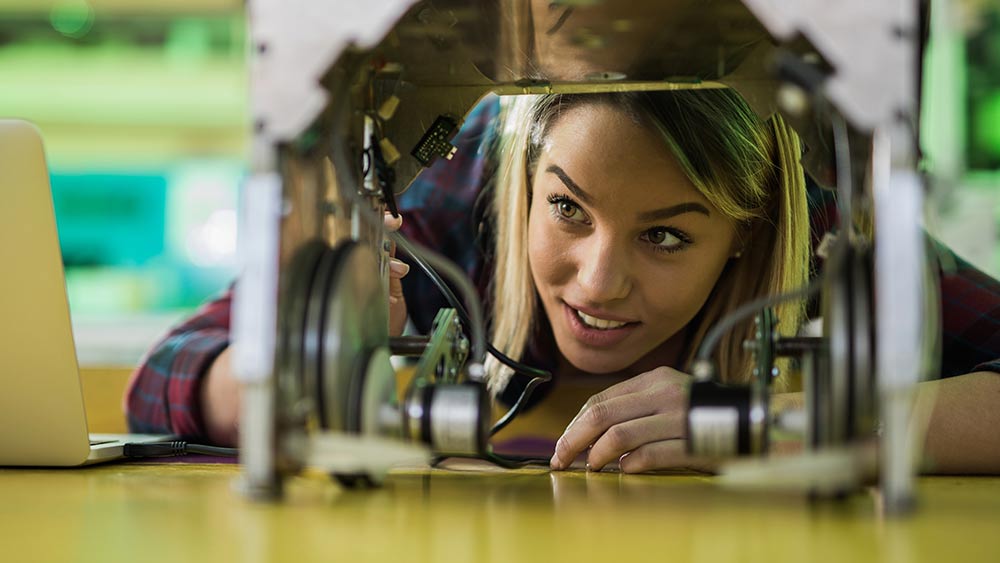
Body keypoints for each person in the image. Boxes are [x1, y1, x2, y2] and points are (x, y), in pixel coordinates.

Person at [125, 90, 1000, 474]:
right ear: (525, 183)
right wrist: (308, 365)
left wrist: (783, 427)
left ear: (749, 232)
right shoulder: (456, 191)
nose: (599, 281)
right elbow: (167, 374)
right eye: (569, 210)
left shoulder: (832, 233)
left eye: (665, 234)